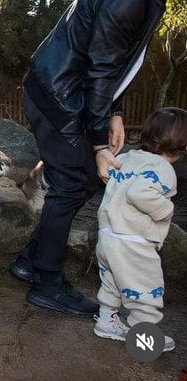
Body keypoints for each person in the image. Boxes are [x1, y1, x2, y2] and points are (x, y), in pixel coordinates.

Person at [9, 0, 171, 316]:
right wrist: (99, 143)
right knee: (70, 184)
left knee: (89, 178)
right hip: (58, 95)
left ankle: (32, 260)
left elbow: (117, 61)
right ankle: (47, 284)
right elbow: (103, 67)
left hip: (70, 94)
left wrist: (115, 113)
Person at [93, 107, 187, 353]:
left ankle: (107, 322)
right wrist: (164, 209)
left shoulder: (127, 157)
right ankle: (144, 340)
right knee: (145, 289)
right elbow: (139, 193)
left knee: (111, 282)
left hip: (108, 237)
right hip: (133, 243)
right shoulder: (162, 168)